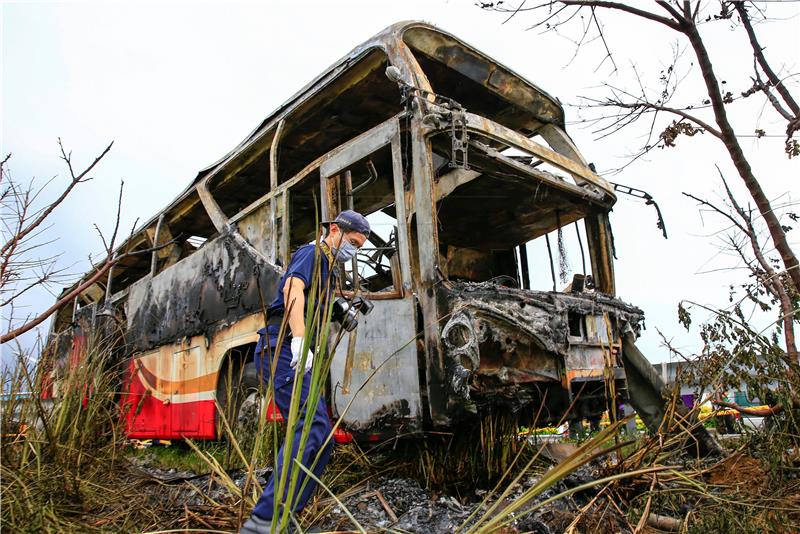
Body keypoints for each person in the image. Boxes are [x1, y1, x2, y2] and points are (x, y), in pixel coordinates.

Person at [240, 210, 370, 534]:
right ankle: (264, 519)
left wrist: (340, 312)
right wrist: (299, 340)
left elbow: (314, 301)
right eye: (352, 242)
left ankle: (286, 516)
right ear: (335, 230)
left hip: (292, 353)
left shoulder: (328, 273)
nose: (353, 250)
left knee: (323, 436)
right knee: (309, 423)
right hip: (280, 348)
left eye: (359, 247)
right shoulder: (311, 253)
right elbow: (293, 291)